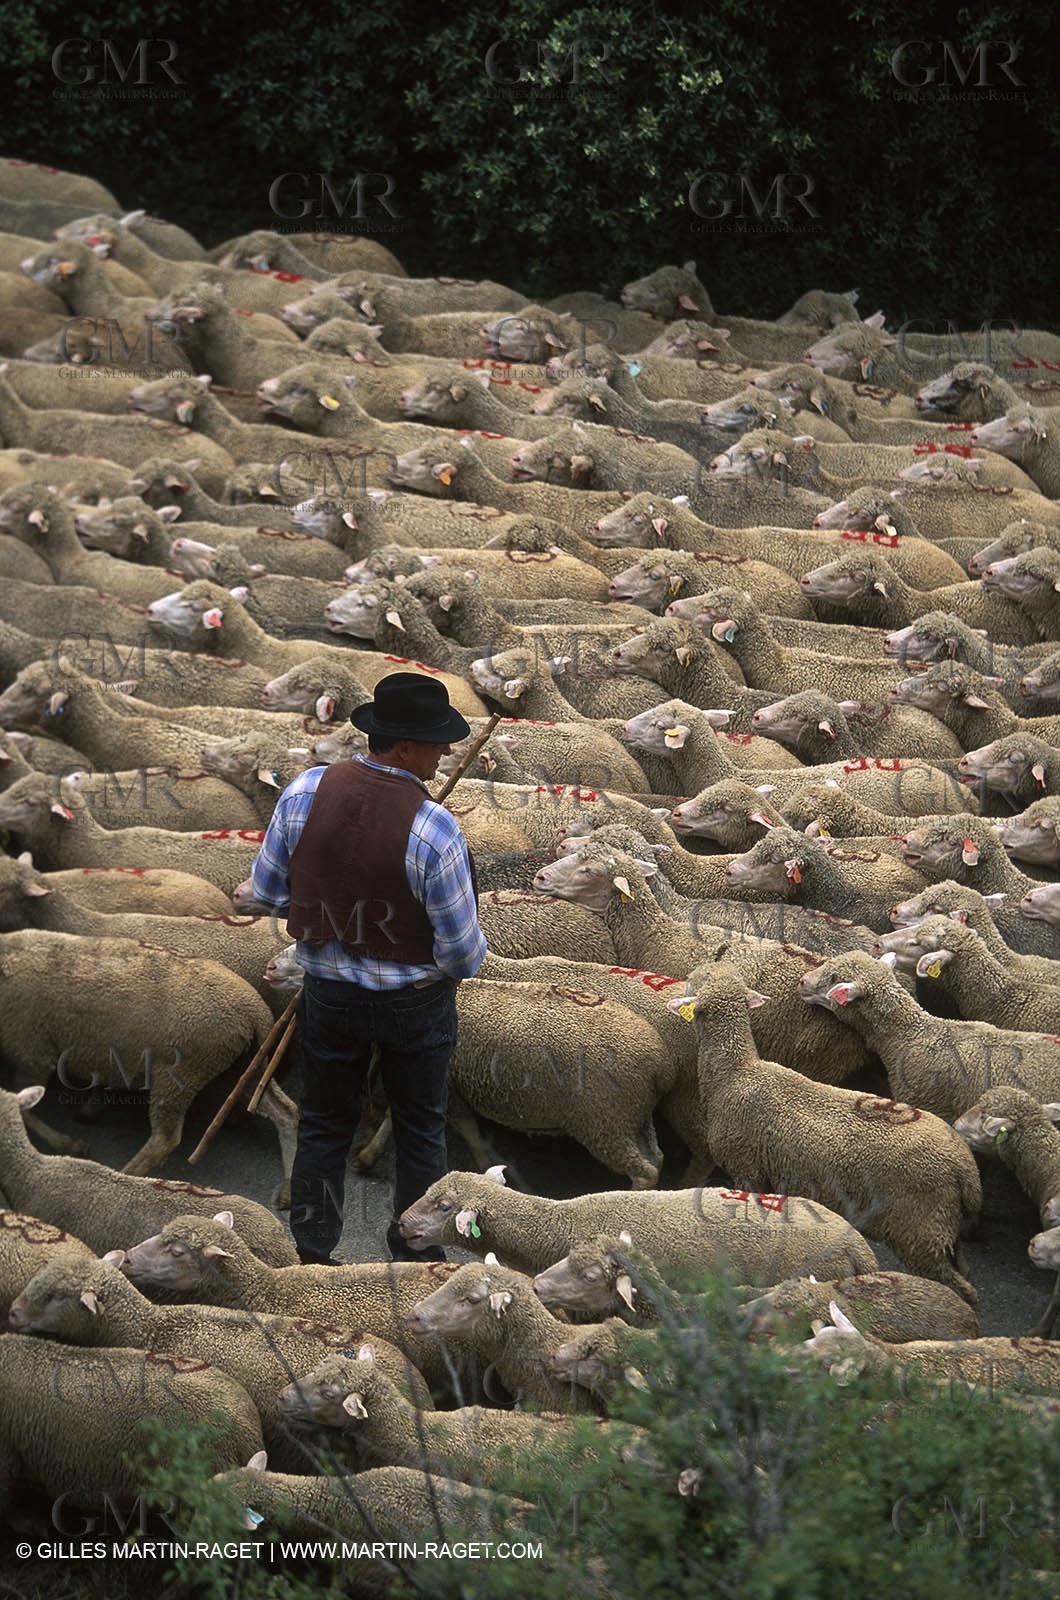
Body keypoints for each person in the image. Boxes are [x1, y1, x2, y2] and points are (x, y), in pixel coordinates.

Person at [248, 672, 487, 1265]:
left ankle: (311, 1253)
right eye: (436, 741)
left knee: (326, 1126)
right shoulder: (435, 828)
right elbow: (463, 954)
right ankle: (414, 1258)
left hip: (329, 994)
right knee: (420, 1131)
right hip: (415, 1007)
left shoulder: (304, 791)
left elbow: (267, 892)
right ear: (404, 747)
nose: (445, 752)